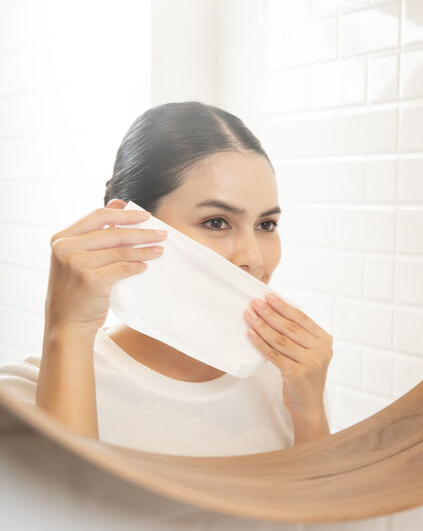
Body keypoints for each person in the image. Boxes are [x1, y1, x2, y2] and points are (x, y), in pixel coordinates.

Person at [0, 102, 334, 454]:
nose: (253, 258)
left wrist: (309, 410)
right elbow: (63, 506)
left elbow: (323, 508)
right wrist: (66, 329)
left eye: (266, 225)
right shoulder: (25, 391)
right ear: (129, 224)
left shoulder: (292, 382)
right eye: (216, 222)